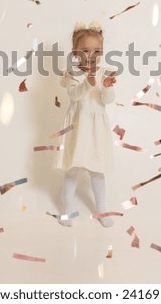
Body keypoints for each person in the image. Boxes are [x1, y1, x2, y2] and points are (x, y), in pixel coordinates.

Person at [55, 21, 117, 227]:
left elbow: (105, 100)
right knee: (72, 169)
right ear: (75, 53)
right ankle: (68, 211)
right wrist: (87, 83)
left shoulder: (104, 73)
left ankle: (102, 210)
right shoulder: (73, 74)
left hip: (96, 129)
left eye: (97, 51)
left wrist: (106, 87)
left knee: (97, 171)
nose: (91, 56)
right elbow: (74, 94)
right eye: (85, 51)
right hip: (77, 127)